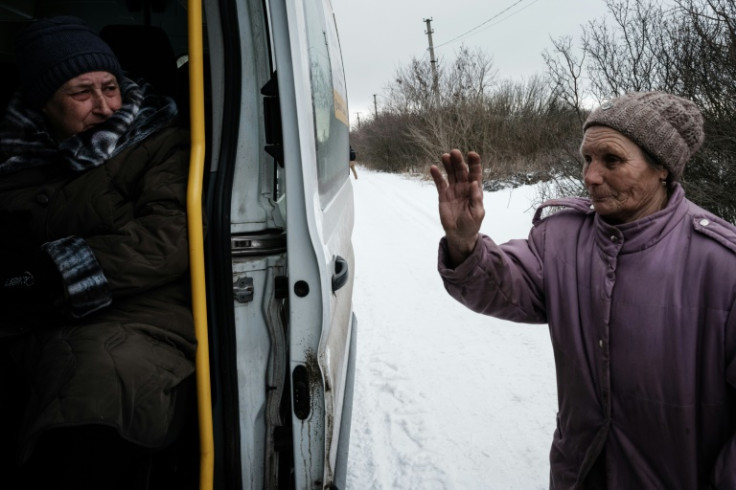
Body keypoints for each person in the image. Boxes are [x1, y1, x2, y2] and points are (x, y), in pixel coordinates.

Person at [430, 92, 736, 489]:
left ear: (662, 167)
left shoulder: (722, 266)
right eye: (587, 159)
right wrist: (464, 244)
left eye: (612, 160)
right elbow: (504, 286)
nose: (591, 175)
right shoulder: (561, 238)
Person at [0, 16, 195, 488]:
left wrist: (58, 269)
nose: (106, 106)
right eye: (82, 93)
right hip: (24, 310)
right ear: (42, 102)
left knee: (98, 380)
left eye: (111, 86)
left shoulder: (159, 143)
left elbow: (170, 238)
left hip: (139, 310)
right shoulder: (13, 156)